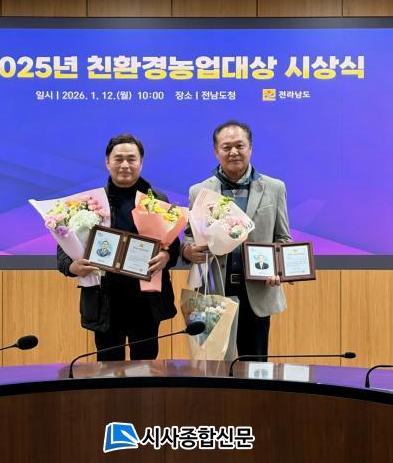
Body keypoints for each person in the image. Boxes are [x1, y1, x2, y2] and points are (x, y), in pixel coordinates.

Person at [57, 134, 179, 361]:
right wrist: (72, 267)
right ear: (107, 162)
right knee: (108, 368)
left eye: (131, 159)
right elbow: (63, 248)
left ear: (141, 163)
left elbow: (173, 247)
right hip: (106, 300)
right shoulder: (90, 203)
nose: (125, 165)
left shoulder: (157, 199)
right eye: (118, 159)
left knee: (146, 366)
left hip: (146, 302)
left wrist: (166, 256)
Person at [182, 121, 291, 361]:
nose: (233, 152)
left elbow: (282, 237)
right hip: (214, 289)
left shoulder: (274, 188)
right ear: (216, 151)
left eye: (240, 146)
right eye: (226, 147)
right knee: (215, 365)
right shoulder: (199, 191)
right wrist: (188, 251)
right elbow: (189, 234)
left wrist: (278, 267)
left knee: (255, 366)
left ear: (250, 147)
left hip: (257, 290)